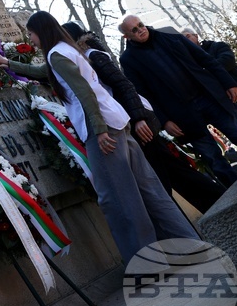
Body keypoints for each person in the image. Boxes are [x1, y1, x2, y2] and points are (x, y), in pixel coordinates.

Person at [0, 11, 198, 264]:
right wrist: (8, 63)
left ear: (40, 31)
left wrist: (98, 130)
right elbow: (45, 72)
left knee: (117, 199)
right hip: (118, 122)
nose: (30, 38)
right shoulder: (68, 49)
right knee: (150, 191)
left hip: (102, 129)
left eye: (31, 33)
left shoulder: (57, 54)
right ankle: (190, 245)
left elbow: (84, 94)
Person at [62, 23, 225, 213]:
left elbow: (123, 86)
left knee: (160, 175)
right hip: (131, 119)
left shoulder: (93, 57)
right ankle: (215, 203)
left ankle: (200, 213)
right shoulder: (84, 58)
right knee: (172, 170)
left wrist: (138, 119)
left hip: (134, 121)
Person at [118, 15, 237, 188]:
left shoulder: (171, 36)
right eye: (134, 30)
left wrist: (228, 83)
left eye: (141, 25)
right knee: (213, 158)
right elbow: (143, 94)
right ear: (126, 37)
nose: (141, 30)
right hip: (181, 115)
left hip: (209, 97)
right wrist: (165, 120)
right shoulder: (128, 60)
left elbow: (206, 59)